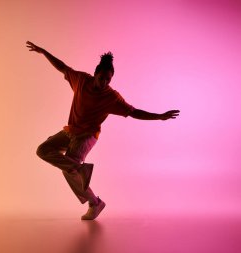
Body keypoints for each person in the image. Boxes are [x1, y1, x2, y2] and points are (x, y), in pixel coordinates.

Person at [26, 41, 180, 220]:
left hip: (87, 136)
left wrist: (159, 116)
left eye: (108, 79)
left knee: (68, 169)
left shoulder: (111, 97)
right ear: (95, 74)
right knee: (43, 150)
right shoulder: (81, 80)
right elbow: (63, 67)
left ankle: (95, 203)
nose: (105, 82)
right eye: (102, 78)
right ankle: (79, 170)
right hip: (70, 131)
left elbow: (133, 112)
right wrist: (44, 52)